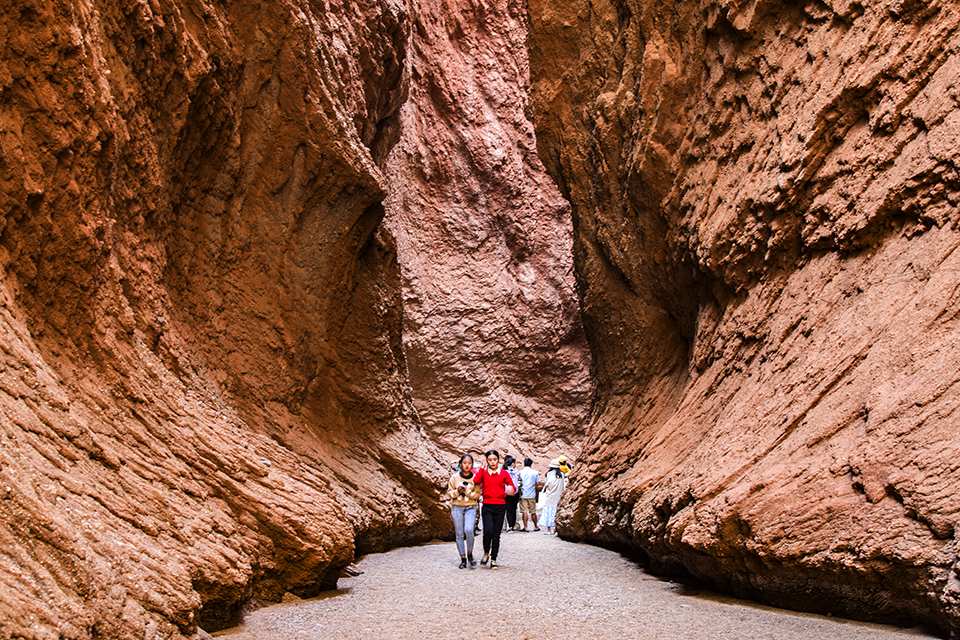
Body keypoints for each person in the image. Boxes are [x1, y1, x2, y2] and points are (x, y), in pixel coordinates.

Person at [473, 449, 516, 569]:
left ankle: (493, 559)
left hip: (500, 505)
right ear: (486, 460)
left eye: (495, 459)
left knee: (496, 533)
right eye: (490, 460)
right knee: (487, 531)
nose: (492, 462)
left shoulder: (504, 473)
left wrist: (511, 490)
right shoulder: (484, 473)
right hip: (487, 505)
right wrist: (482, 467)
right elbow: (476, 481)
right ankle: (486, 552)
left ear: (498, 460)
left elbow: (512, 486)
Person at [447, 453, 482, 568]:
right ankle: (462, 558)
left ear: (472, 465)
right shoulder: (454, 477)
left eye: (469, 463)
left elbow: (477, 494)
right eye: (465, 463)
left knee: (468, 530)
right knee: (459, 533)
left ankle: (470, 553)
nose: (467, 465)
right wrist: (458, 492)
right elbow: (450, 493)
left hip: (470, 507)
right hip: (457, 507)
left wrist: (466, 492)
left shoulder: (475, 478)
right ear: (461, 464)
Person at [540, 459, 568, 534]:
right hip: (558, 496)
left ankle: (548, 529)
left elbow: (547, 484)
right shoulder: (561, 474)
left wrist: (544, 490)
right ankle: (556, 529)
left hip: (550, 496)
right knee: (556, 512)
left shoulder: (549, 474)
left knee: (548, 511)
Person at [518, 458, 541, 532]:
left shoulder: (520, 472)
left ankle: (525, 527)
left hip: (523, 494)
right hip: (531, 494)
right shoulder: (535, 472)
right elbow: (538, 482)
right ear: (531, 464)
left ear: (524, 463)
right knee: (533, 511)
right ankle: (535, 526)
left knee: (524, 511)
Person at [503, 455, 522, 532]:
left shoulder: (504, 472)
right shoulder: (517, 472)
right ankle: (511, 526)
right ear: (513, 464)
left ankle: (505, 526)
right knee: (513, 510)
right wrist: (520, 494)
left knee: (507, 510)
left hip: (506, 493)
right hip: (515, 493)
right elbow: (521, 483)